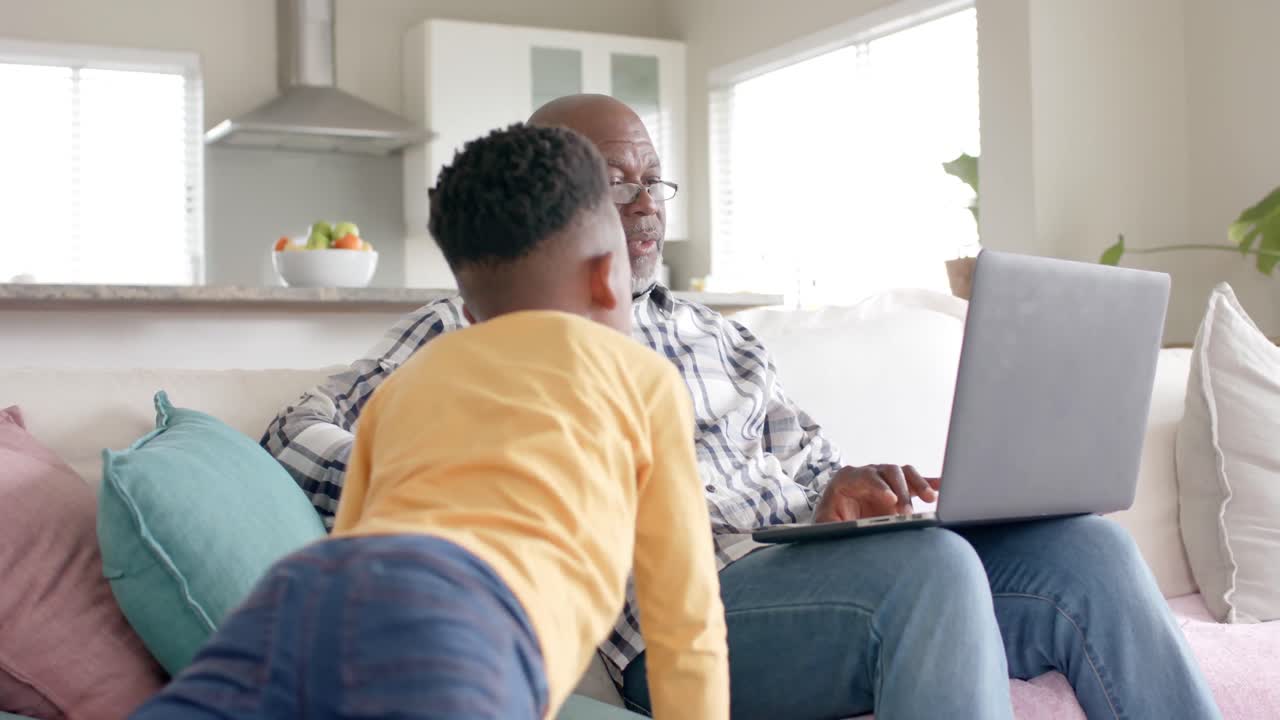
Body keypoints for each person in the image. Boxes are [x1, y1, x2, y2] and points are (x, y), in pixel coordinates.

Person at [262, 95, 1220, 719]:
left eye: (651, 179)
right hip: (691, 622)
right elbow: (293, 431)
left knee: (1084, 551)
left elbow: (809, 471)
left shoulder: (722, 333)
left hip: (816, 573)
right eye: (613, 179)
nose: (641, 201)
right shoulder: (485, 324)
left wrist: (843, 491)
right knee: (927, 572)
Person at [135, 124, 728, 720]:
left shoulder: (407, 383)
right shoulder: (644, 380)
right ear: (608, 275)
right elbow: (683, 617)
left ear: (469, 313)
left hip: (306, 594)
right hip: (472, 621)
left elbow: (356, 525)